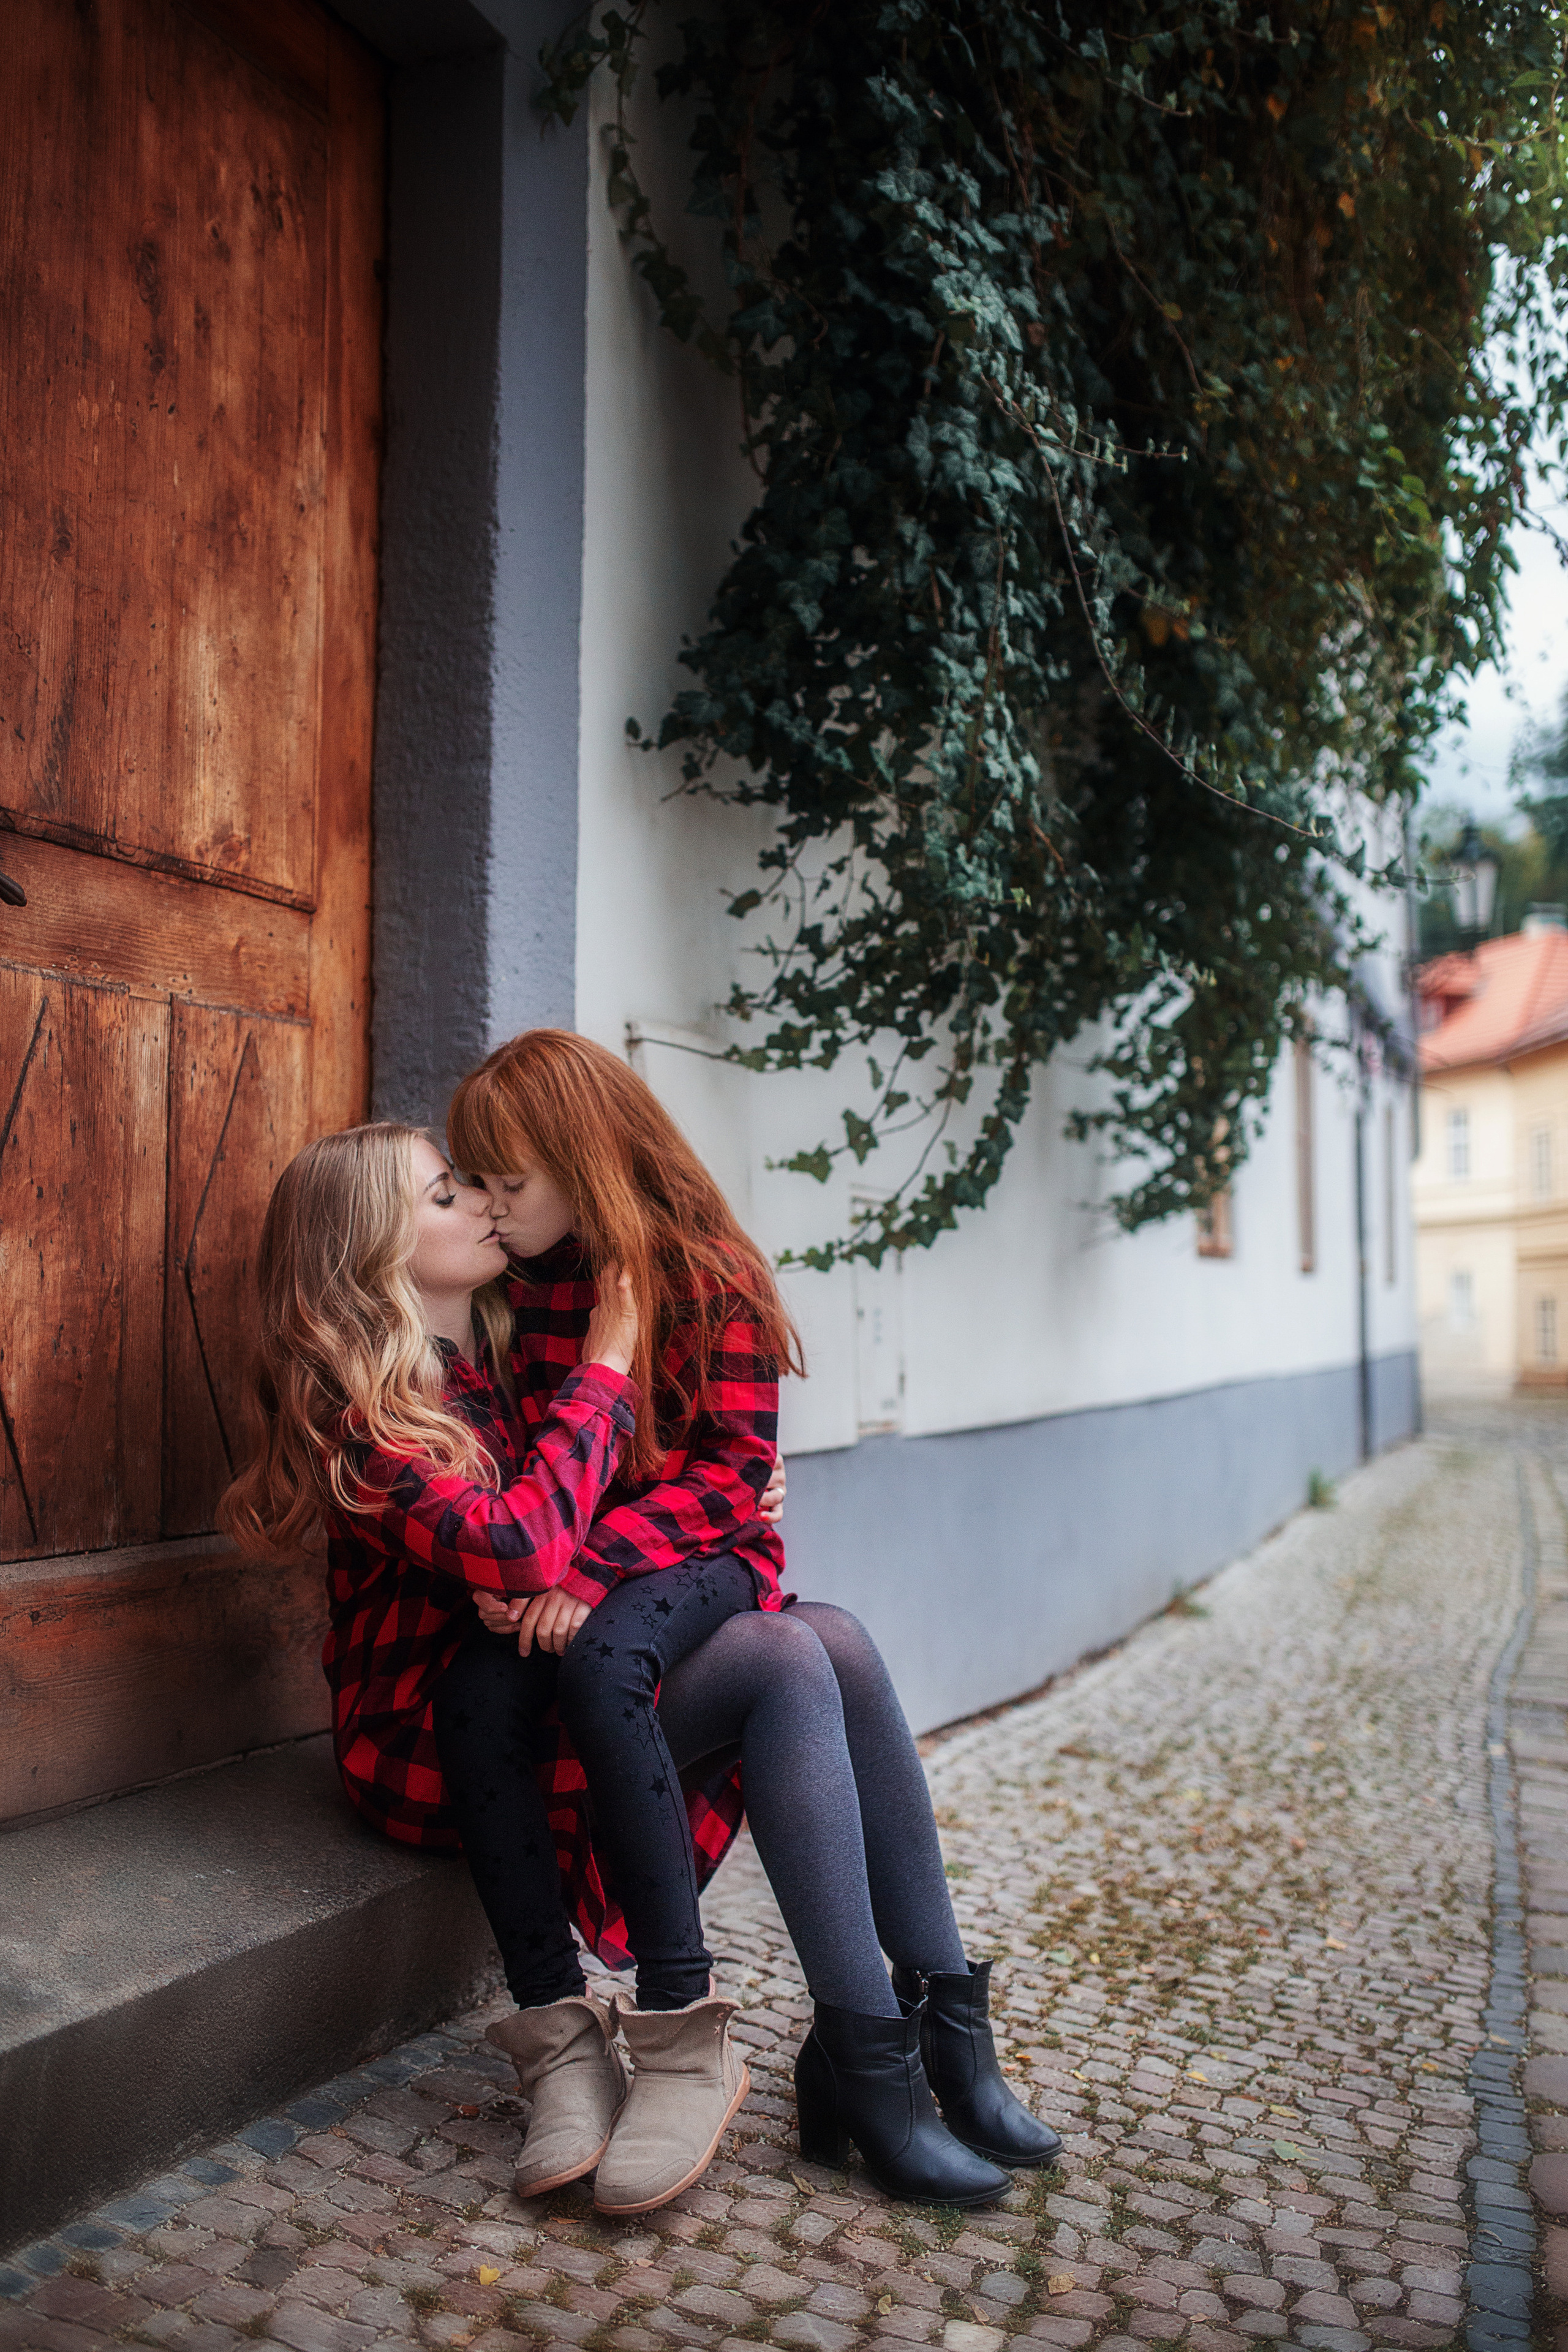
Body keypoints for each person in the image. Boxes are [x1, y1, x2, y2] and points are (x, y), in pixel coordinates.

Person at [450, 1030, 1060, 2204]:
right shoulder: (510, 1287)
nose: (488, 1206)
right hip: (572, 1627)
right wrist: (565, 1561)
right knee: (815, 1645)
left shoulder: (707, 1272)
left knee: (826, 1641)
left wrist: (586, 1564)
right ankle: (875, 2055)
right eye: (473, 1184)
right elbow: (526, 1478)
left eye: (508, 1184)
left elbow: (735, 1474)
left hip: (654, 1586)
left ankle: (920, 2033)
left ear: (587, 1162)